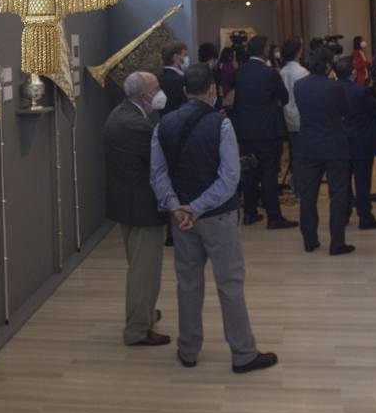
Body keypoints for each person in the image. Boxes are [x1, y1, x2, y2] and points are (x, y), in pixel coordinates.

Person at [150, 64, 278, 374]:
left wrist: (177, 206)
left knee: (188, 284)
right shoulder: (221, 125)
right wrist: (198, 206)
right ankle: (243, 353)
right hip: (217, 216)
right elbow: (230, 178)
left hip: (181, 220)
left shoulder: (163, 125)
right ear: (212, 90)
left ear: (184, 91)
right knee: (230, 284)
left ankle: (188, 349)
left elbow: (158, 175)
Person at [104, 72, 171, 346]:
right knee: (145, 271)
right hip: (142, 207)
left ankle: (144, 313)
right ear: (144, 96)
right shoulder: (137, 126)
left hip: (126, 203)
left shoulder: (119, 114)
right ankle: (138, 330)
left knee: (139, 267)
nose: (160, 92)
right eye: (156, 88)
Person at [291, 50, 355, 255]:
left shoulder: (299, 86)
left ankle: (310, 240)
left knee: (308, 195)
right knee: (337, 194)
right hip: (334, 144)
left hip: (308, 144)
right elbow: (346, 111)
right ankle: (337, 242)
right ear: (327, 66)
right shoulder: (335, 86)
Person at [230, 36, 297, 229]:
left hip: (245, 130)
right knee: (269, 173)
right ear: (264, 51)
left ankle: (250, 213)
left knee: (249, 172)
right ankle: (274, 216)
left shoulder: (240, 72)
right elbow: (284, 98)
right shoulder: (269, 73)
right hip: (268, 130)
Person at [337, 56, 376, 230]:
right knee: (362, 181)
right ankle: (365, 216)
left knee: (343, 182)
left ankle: (343, 214)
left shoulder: (333, 90)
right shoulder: (360, 91)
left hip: (341, 142)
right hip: (361, 141)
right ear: (352, 73)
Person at [278, 37, 308, 178]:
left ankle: (296, 180)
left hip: (287, 116)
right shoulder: (302, 72)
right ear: (298, 52)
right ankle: (302, 182)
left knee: (294, 152)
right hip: (301, 116)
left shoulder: (282, 71)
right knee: (303, 154)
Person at [160, 41, 189, 114]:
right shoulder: (178, 79)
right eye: (184, 55)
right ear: (175, 57)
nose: (186, 58)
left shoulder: (160, 76)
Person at [216, 46, 238, 112]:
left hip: (221, 93)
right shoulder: (230, 66)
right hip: (230, 93)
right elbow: (232, 81)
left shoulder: (219, 65)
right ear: (230, 56)